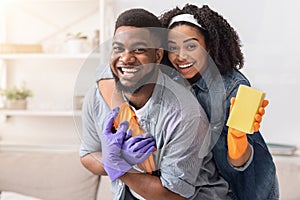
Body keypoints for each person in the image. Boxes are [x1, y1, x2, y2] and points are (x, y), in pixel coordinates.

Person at [80, 8, 230, 200]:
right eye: (118, 48)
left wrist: (120, 166)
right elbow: (88, 155)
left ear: (158, 56)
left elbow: (173, 195)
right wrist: (113, 160)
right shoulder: (97, 96)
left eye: (139, 49)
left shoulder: (185, 113)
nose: (126, 58)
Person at [160, 4, 279, 200]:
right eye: (173, 48)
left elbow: (239, 161)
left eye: (191, 46)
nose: (180, 56)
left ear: (209, 45)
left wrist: (237, 138)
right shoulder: (174, 84)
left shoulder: (235, 88)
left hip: (247, 191)